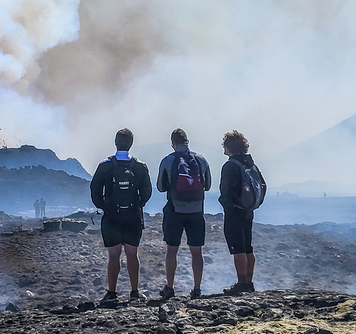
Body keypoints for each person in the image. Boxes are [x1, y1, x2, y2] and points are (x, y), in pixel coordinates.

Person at [90, 128, 152, 303]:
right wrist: (138, 205)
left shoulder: (105, 166)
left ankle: (112, 293)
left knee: (113, 255)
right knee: (132, 254)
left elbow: (94, 190)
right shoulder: (140, 166)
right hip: (132, 216)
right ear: (131, 144)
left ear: (115, 142)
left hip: (112, 217)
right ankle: (134, 292)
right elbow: (147, 192)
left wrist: (103, 206)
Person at [156, 128, 211, 299]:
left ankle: (170, 287)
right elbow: (207, 185)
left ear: (173, 143)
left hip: (175, 210)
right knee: (197, 251)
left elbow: (160, 186)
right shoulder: (201, 160)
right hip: (196, 211)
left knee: (172, 250)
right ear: (187, 141)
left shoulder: (168, 160)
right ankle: (197, 289)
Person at [219, 130, 258, 296]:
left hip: (234, 211)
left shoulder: (230, 165)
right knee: (248, 247)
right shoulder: (250, 164)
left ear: (229, 147)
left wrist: (227, 204)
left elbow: (226, 191)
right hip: (248, 210)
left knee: (238, 248)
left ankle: (241, 282)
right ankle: (249, 282)